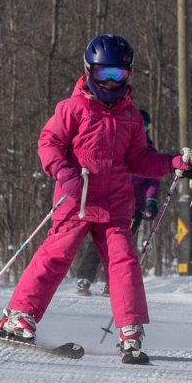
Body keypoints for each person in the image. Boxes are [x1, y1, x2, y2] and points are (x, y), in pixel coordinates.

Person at [0, 35, 192, 360]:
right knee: (55, 257)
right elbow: (48, 144)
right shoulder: (72, 109)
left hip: (115, 206)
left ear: (128, 75)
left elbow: (140, 160)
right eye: (104, 75)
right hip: (76, 200)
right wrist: (63, 172)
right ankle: (20, 317)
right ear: (89, 71)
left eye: (118, 75)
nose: (111, 82)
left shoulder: (131, 118)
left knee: (124, 264)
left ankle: (130, 331)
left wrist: (172, 163)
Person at [73, 109, 163, 297]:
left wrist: (150, 202)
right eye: (139, 124)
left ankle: (111, 282)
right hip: (110, 200)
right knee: (99, 241)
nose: (141, 129)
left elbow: (152, 180)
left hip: (134, 207)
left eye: (145, 126)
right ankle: (84, 277)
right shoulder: (119, 140)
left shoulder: (148, 150)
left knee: (121, 246)